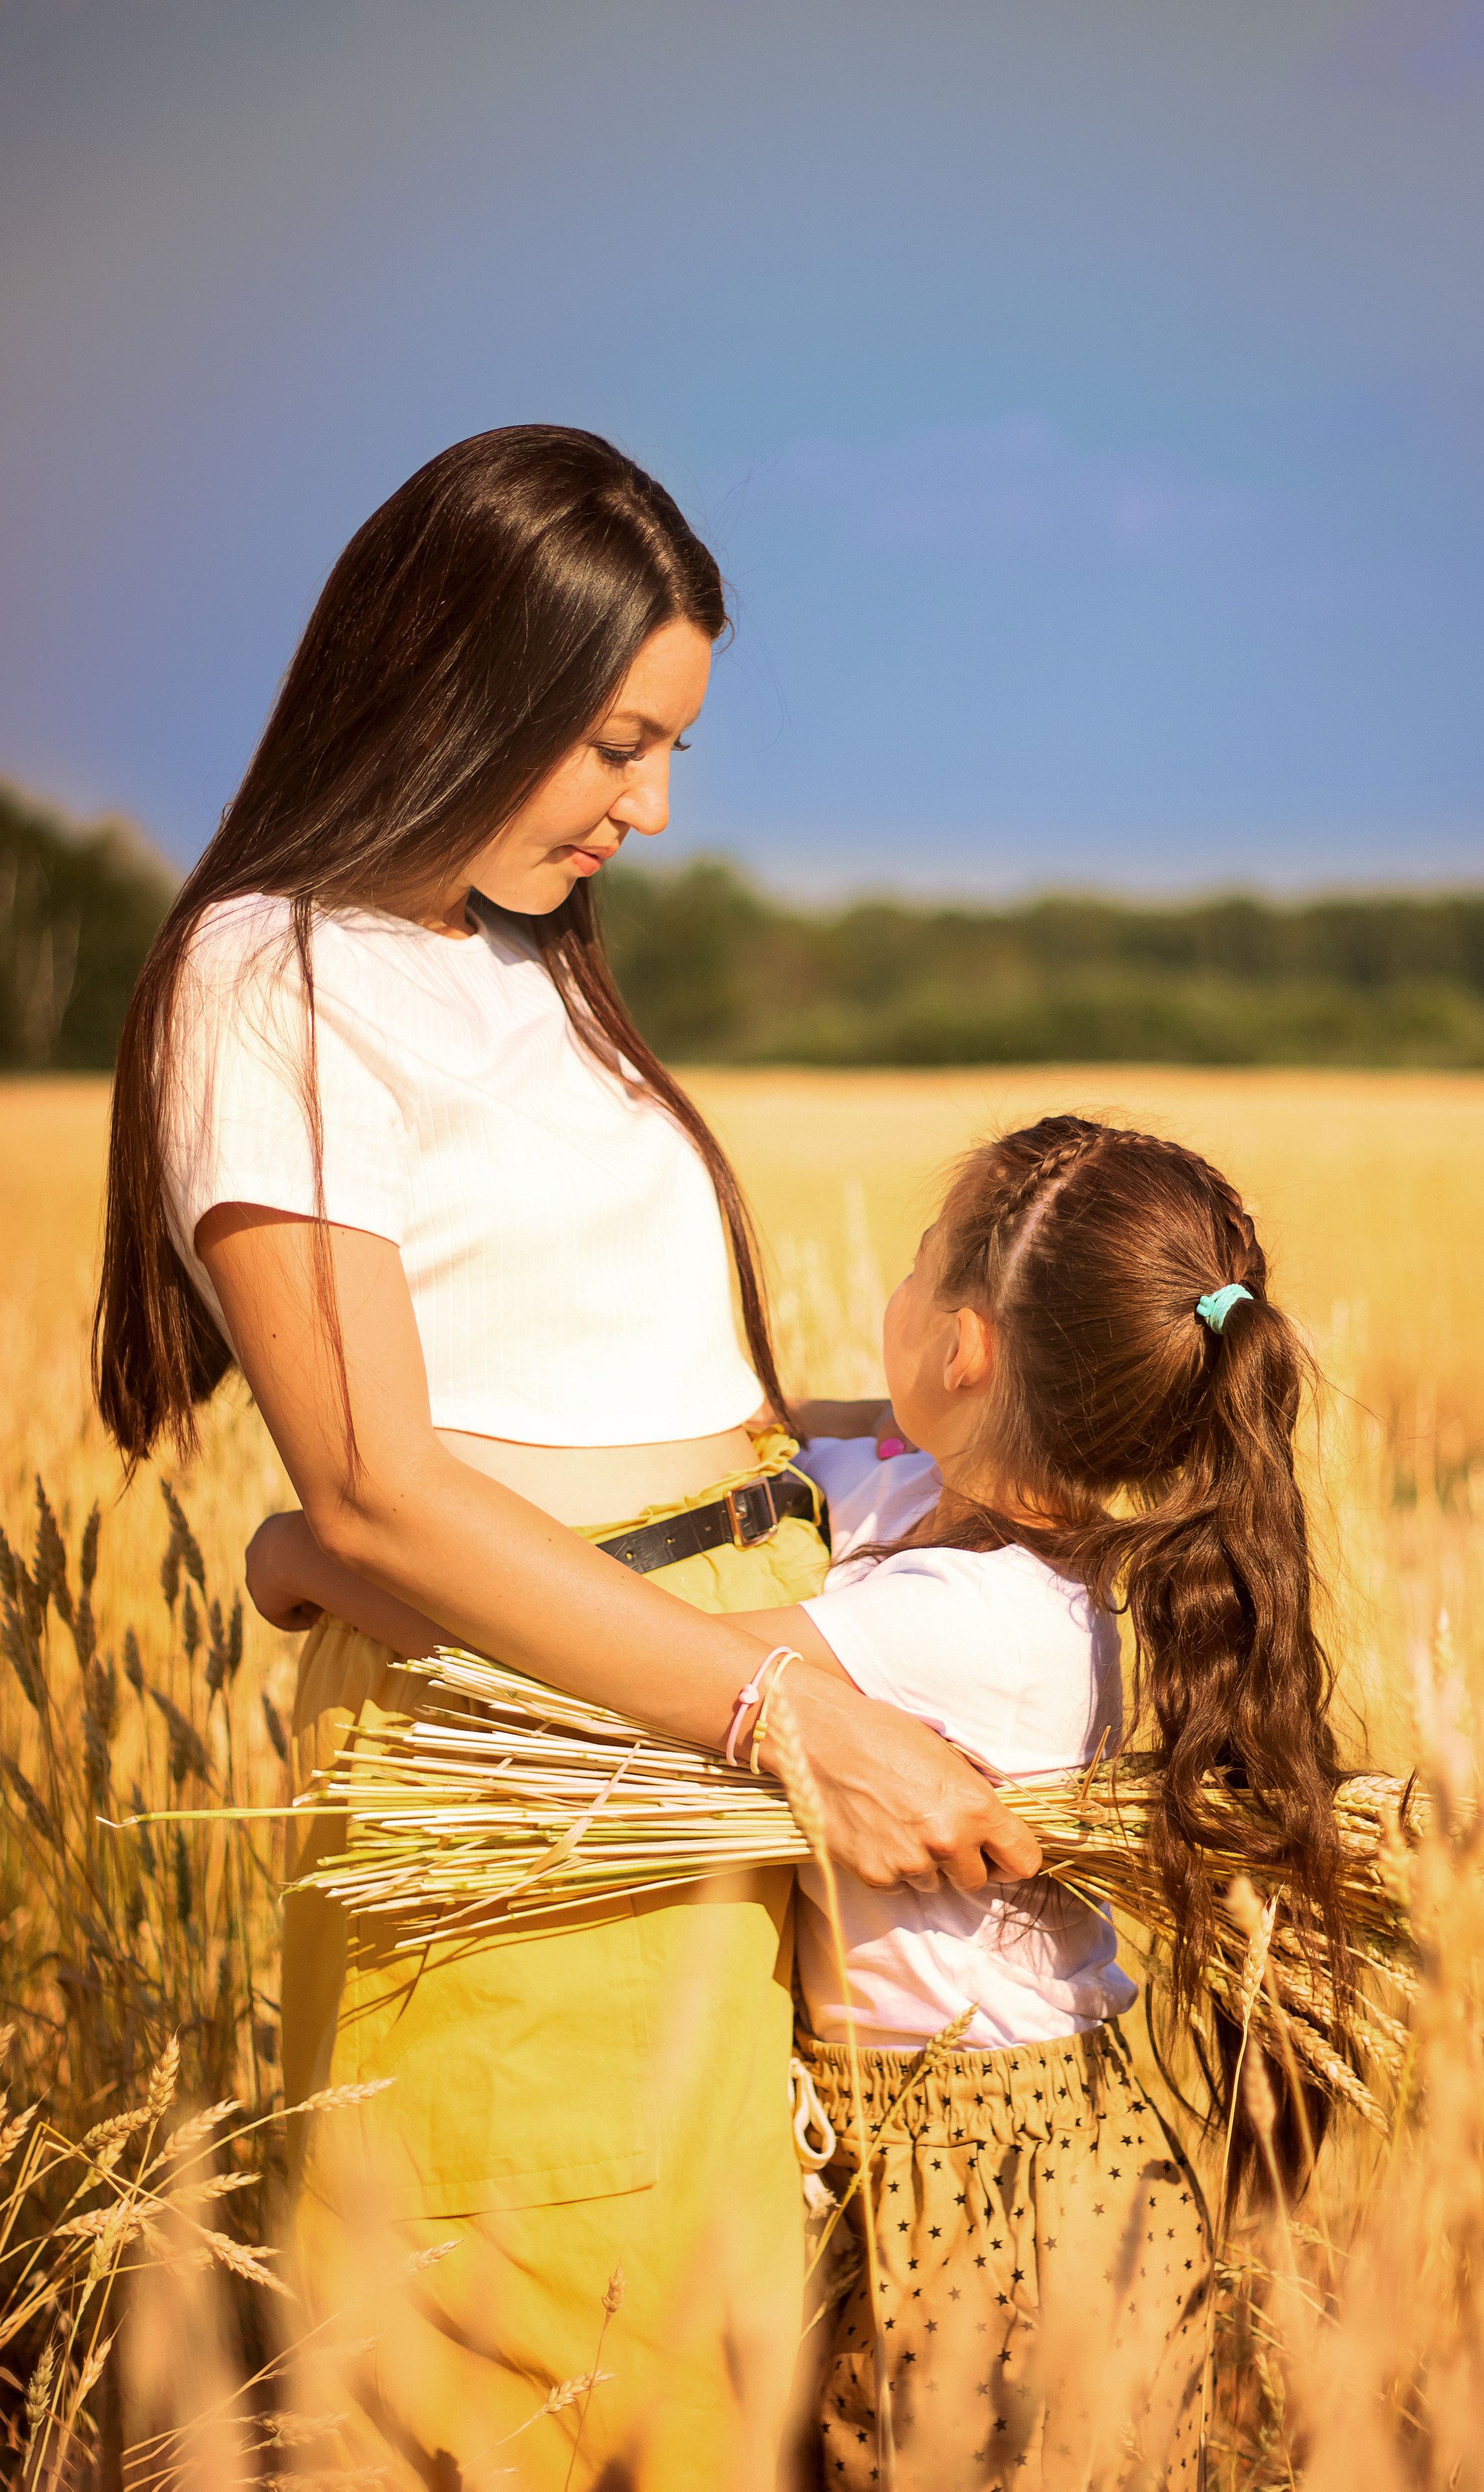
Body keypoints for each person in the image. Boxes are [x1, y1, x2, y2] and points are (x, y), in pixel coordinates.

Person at [93, 426, 1039, 2492]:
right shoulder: (274, 977)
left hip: (687, 1733)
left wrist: (1003, 1453)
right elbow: (379, 1491)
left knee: (704, 2385)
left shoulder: (519, 964)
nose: (654, 808)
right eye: (615, 742)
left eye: (673, 747)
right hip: (546, 1753)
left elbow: (571, 1396)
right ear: (456, 679)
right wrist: (802, 1710)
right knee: (517, 2380)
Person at [249, 1112, 1351, 2490]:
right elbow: (782, 1447)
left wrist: (307, 1552)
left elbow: (592, 1663)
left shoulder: (969, 1618)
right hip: (941, 2132)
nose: (887, 1293)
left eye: (916, 1265)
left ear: (961, 1350)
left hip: (977, 2177)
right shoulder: (906, 1496)